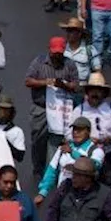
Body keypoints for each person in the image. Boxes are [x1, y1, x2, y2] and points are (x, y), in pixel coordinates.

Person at [24, 37, 81, 180]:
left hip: (61, 109)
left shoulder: (69, 64)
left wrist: (64, 85)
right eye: (55, 52)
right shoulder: (39, 61)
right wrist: (45, 82)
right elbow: (28, 80)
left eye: (60, 53)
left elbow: (76, 86)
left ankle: (54, 169)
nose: (57, 55)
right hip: (41, 107)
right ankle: (38, 167)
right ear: (49, 50)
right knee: (38, 138)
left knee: (59, 139)